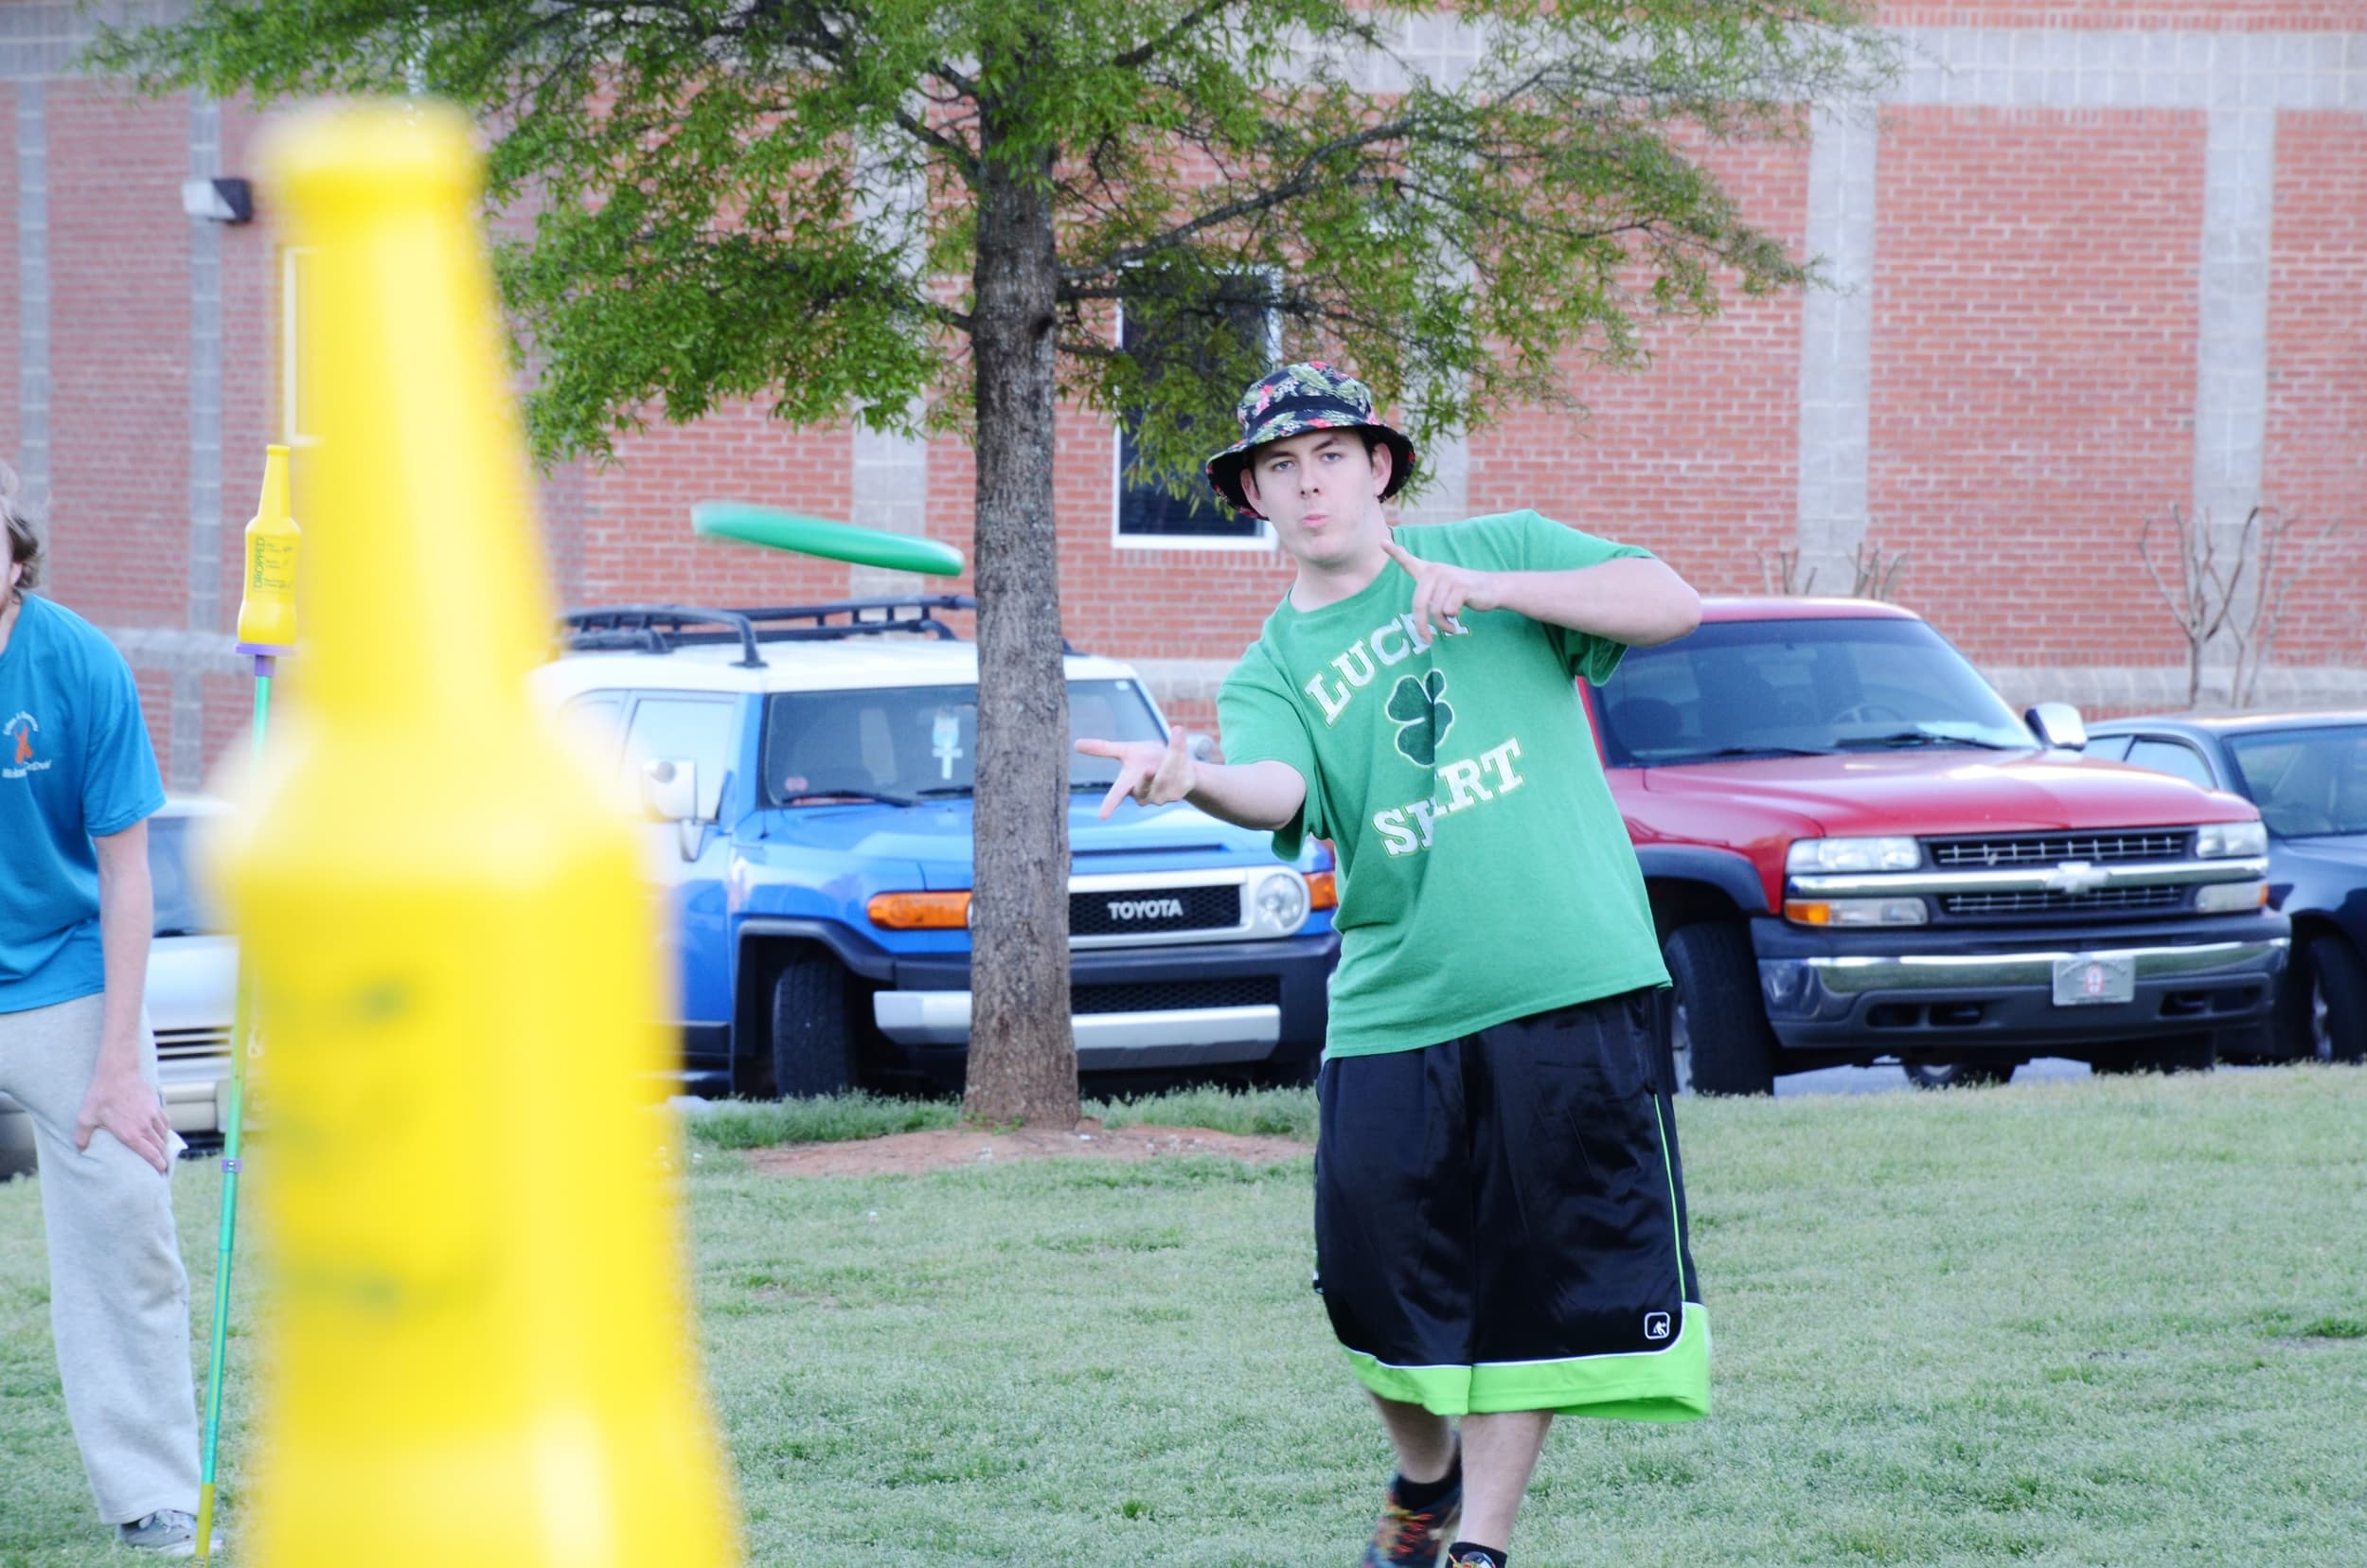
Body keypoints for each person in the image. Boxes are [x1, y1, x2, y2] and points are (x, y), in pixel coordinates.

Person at [1077, 365, 1708, 1568]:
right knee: (1365, 1275)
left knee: (1535, 1277)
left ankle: (1479, 1545)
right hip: (1393, 1001)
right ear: (1254, 497)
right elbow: (1284, 791)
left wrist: (1500, 589)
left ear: (1378, 468)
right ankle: (1425, 1474)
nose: (1307, 485)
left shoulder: (1498, 551)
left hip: (1564, 971)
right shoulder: (1271, 665)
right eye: (1278, 468)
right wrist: (1191, 775)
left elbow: (1670, 601)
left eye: (1328, 457)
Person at [0, 464, 205, 1553]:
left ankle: (154, 1495)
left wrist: (122, 1061)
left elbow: (130, 876)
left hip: (64, 979)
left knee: (128, 1214)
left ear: (15, 552)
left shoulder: (79, 664)